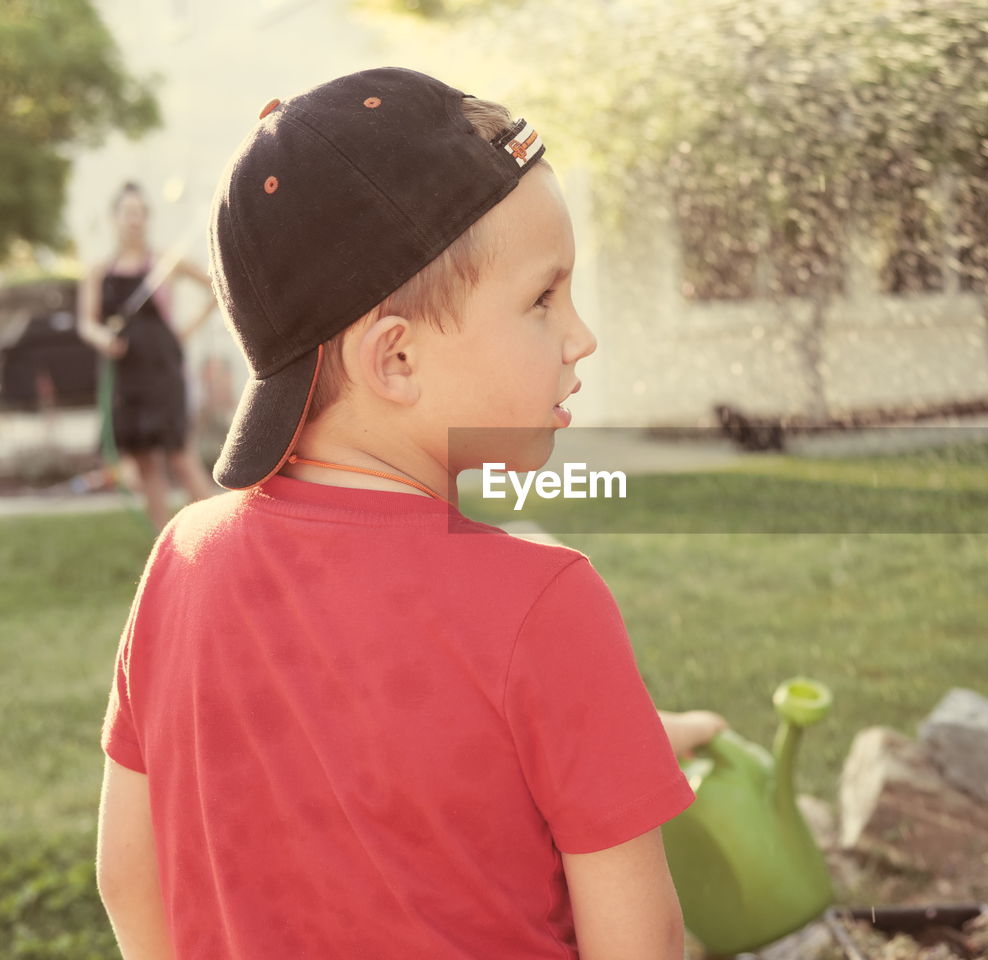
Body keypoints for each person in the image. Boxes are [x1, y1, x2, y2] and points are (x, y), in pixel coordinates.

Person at [95, 68, 728, 960]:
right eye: (543, 299)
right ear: (395, 360)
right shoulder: (547, 603)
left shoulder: (182, 561)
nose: (581, 336)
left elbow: (129, 878)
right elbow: (644, 944)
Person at [77, 182, 218, 530]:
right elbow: (86, 323)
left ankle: (220, 535)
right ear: (115, 219)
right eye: (128, 213)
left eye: (140, 213)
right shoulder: (99, 272)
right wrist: (102, 338)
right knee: (145, 463)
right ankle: (164, 546)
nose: (134, 220)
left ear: (146, 218)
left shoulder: (164, 264)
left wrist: (184, 331)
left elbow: (215, 289)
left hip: (163, 372)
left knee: (180, 456)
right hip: (127, 377)